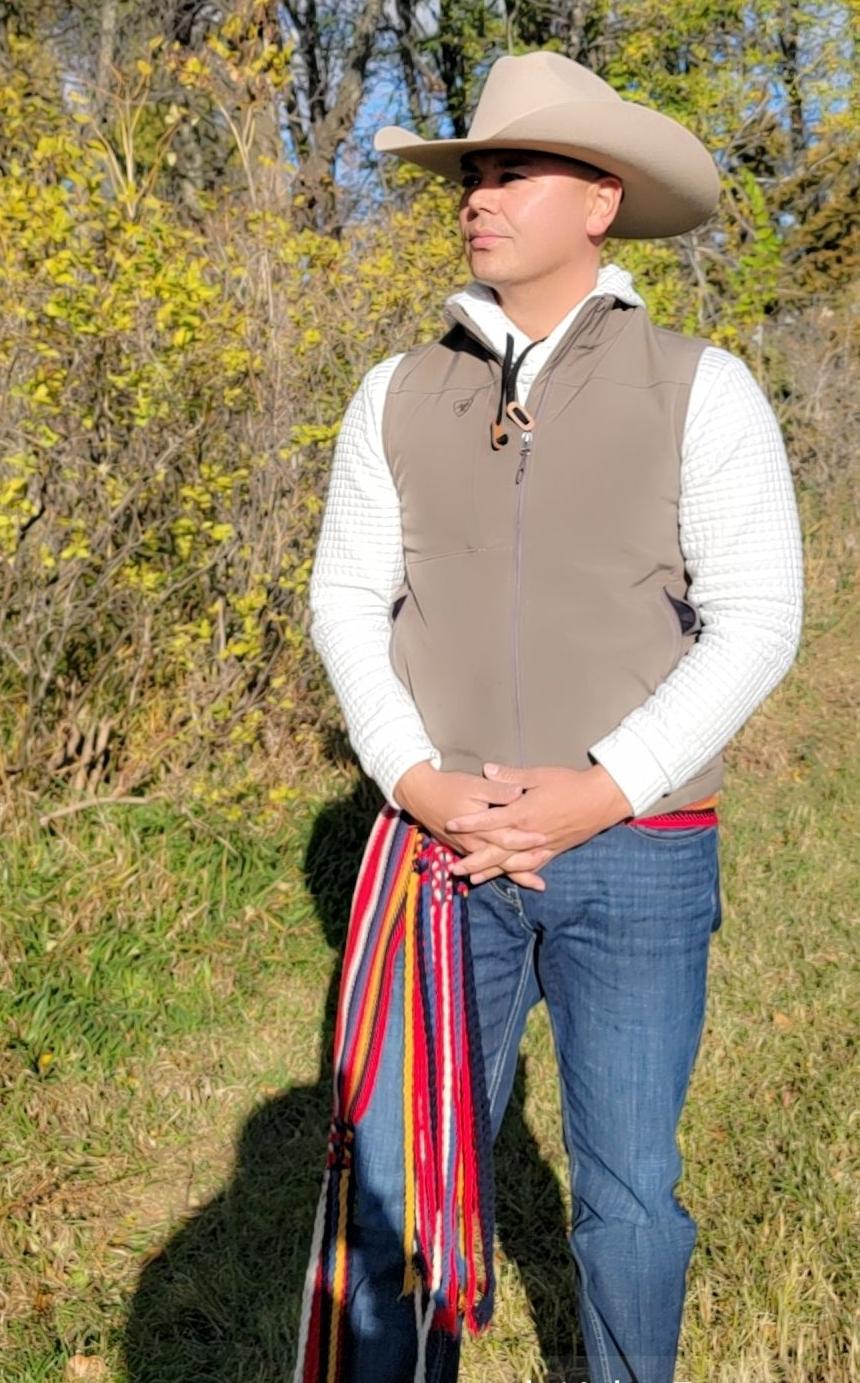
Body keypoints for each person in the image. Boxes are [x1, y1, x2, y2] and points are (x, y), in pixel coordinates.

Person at [300, 49, 804, 1383]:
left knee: (632, 1195)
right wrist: (415, 780)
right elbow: (348, 602)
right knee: (400, 1188)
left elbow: (759, 618)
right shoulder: (395, 393)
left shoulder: (704, 386)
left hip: (638, 854)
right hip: (440, 857)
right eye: (472, 169)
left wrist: (604, 786)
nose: (479, 191)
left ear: (600, 199)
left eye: (511, 168)